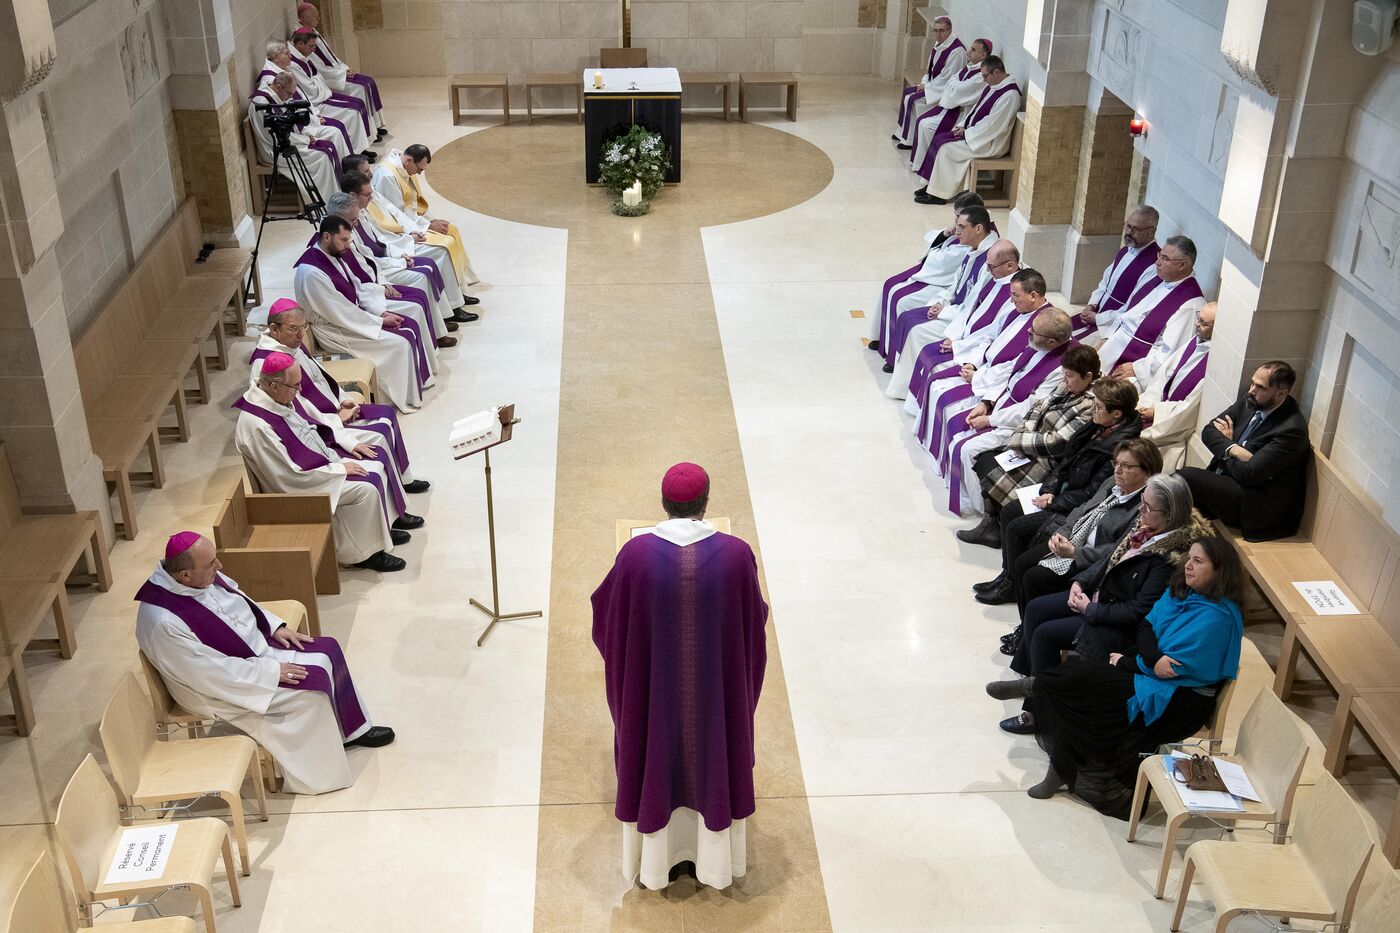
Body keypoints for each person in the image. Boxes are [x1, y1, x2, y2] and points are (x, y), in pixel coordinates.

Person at [591, 463, 768, 891]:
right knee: (713, 752)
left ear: (663, 503)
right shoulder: (736, 555)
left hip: (654, 702)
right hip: (715, 703)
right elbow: (754, 624)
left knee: (654, 751)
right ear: (706, 505)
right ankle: (715, 862)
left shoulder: (635, 556)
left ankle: (655, 864)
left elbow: (607, 619)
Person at [135, 532, 394, 795]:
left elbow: (238, 597)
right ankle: (320, 775)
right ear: (184, 575)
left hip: (251, 650)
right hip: (215, 686)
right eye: (211, 564)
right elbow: (206, 672)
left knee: (328, 649)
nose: (219, 566)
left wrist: (272, 626)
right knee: (309, 693)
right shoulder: (164, 621)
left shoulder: (195, 578)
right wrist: (270, 672)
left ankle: (349, 732)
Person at [1007, 538, 1244, 819]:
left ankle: (1039, 689)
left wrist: (1128, 662)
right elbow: (1146, 626)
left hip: (1180, 699)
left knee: (1084, 682)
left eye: (1198, 561)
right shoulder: (1183, 590)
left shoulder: (1217, 618)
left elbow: (1170, 669)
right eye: (1189, 558)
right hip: (1151, 673)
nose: (1188, 565)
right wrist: (1148, 659)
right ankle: (1058, 760)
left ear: (1219, 571)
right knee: (1084, 686)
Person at [989, 473, 1209, 735]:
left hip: (1117, 624)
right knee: (1037, 608)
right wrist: (1080, 582)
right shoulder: (1146, 527)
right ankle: (1033, 680)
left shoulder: (1169, 559)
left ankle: (1039, 714)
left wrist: (1089, 609)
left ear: (1170, 515)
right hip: (1101, 597)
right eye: (1142, 500)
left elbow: (1138, 611)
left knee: (1046, 634)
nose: (1141, 509)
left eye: (1148, 507)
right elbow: (1108, 561)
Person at [235, 352, 413, 572]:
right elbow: (286, 475)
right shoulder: (258, 426)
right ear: (273, 385)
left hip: (314, 465)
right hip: (297, 485)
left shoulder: (275, 396)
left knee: (375, 463)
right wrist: (338, 468)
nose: (299, 390)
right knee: (365, 488)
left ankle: (380, 530)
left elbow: (306, 426)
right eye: (295, 386)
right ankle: (363, 554)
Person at [251, 298, 424, 493]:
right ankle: (394, 489)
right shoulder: (268, 362)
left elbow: (319, 376)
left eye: (303, 327)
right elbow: (296, 410)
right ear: (274, 329)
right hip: (319, 425)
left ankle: (402, 480)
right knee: (381, 433)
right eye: (293, 328)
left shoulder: (290, 344)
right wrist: (336, 420)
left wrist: (342, 399)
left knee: (387, 413)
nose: (300, 335)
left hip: (331, 412)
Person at [984, 439, 1161, 625]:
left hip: (1090, 558)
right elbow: (1083, 509)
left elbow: (1118, 549)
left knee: (1034, 578)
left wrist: (1075, 553)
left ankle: (1031, 628)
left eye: (1126, 466)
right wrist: (1062, 533)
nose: (1117, 470)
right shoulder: (1112, 483)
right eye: (1116, 463)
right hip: (1074, 538)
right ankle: (1024, 624)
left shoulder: (1143, 507)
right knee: (1022, 562)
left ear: (1147, 472)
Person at [963, 377, 1143, 554]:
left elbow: (1093, 493)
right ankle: (993, 534)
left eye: (1098, 407)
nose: (1093, 410)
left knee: (1016, 526)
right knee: (1004, 502)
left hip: (1076, 505)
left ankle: (1010, 569)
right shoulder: (1097, 425)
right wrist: (1049, 490)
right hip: (1063, 487)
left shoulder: (1120, 448)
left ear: (1116, 414)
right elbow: (1067, 460)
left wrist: (1054, 501)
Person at [940, 307, 1077, 515]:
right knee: (954, 422)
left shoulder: (1062, 367)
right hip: (999, 404)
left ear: (1052, 342)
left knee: (966, 449)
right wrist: (986, 402)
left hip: (1020, 423)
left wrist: (990, 420)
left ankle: (984, 513)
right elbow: (1009, 371)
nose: (1028, 332)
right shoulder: (1038, 343)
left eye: (1034, 332)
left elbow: (1032, 407)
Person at [960, 345, 1101, 543]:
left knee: (990, 464)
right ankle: (992, 524)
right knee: (984, 460)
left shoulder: (1091, 404)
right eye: (1064, 374)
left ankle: (995, 526)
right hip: (1030, 445)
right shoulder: (1066, 385)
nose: (1065, 380)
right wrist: (1021, 436)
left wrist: (1020, 442)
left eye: (1069, 375)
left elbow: (1059, 441)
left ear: (1088, 376)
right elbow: (1037, 409)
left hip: (1049, 460)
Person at [295, 215, 434, 412]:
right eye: (343, 240)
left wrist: (379, 312)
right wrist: (378, 321)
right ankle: (395, 398)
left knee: (408, 327)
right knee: (400, 344)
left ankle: (411, 388)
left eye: (348, 240)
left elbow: (355, 287)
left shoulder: (331, 255)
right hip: (333, 329)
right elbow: (341, 312)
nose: (347, 245)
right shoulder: (312, 273)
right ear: (326, 237)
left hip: (349, 318)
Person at [1179, 360, 1311, 542]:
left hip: (1255, 504)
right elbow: (1209, 431)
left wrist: (1227, 448)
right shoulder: (1250, 401)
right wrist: (1234, 448)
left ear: (1281, 394)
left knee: (1185, 477)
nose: (1252, 390)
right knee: (1176, 494)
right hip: (1230, 481)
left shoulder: (1291, 430)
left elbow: (1250, 474)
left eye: (1261, 387)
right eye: (1252, 383)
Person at [341, 162, 479, 321]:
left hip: (394, 245)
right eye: (366, 171)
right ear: (353, 194)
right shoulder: (351, 219)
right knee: (436, 258)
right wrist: (400, 254)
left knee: (443, 248)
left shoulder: (362, 207)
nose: (371, 174)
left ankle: (455, 298)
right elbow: (370, 253)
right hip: (386, 258)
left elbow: (386, 226)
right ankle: (447, 312)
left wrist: (411, 235)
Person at [323, 192, 455, 350]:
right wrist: (380, 296)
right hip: (364, 298)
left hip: (374, 280)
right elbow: (355, 279)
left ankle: (439, 326)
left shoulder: (345, 230)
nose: (356, 224)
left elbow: (369, 256)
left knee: (424, 279)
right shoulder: (334, 244)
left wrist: (384, 280)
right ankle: (435, 336)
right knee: (419, 287)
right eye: (353, 220)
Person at [895, 238, 1019, 403]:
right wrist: (954, 335)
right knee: (919, 337)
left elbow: (992, 331)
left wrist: (959, 344)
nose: (988, 271)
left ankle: (914, 397)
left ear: (1010, 266)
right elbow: (969, 307)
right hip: (963, 334)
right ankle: (906, 391)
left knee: (926, 349)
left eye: (992, 267)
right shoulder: (993, 278)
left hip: (973, 347)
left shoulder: (1014, 295)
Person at [881, 205, 997, 380]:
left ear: (978, 229)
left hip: (962, 321)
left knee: (915, 329)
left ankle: (908, 383)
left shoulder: (990, 260)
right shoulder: (974, 249)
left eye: (962, 227)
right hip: (953, 309)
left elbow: (973, 306)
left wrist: (944, 311)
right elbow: (956, 284)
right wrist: (941, 302)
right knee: (905, 316)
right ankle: (903, 376)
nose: (957, 231)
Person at [868, 190, 984, 356]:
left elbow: (941, 263)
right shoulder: (965, 228)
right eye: (955, 216)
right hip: (937, 275)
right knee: (890, 285)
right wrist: (943, 235)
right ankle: (882, 337)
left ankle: (893, 352)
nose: (956, 223)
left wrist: (937, 249)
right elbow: (933, 241)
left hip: (942, 281)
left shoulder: (976, 242)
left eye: (959, 218)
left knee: (902, 300)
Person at [914, 55, 1021, 204]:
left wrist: (967, 133)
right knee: (938, 139)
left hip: (990, 142)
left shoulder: (1009, 95)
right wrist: (962, 125)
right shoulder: (994, 86)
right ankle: (931, 187)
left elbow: (992, 125)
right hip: (978, 134)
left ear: (996, 72)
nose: (984, 80)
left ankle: (939, 194)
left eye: (985, 76)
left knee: (946, 149)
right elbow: (976, 110)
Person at [1092, 235, 1205, 375]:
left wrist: (1138, 369)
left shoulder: (1190, 304)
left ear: (1182, 265)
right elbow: (1127, 315)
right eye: (1159, 256)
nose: (1157, 262)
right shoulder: (1158, 279)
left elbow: (1172, 354)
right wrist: (1107, 339)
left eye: (1165, 259)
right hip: (1114, 345)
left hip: (1138, 363)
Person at [372, 144, 478, 287]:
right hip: (401, 230)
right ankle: (454, 289)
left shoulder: (405, 168)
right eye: (419, 169)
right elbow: (396, 214)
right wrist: (428, 225)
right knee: (445, 244)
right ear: (409, 160)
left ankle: (463, 282)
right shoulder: (387, 176)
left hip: (414, 221)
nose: (420, 174)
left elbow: (414, 204)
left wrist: (432, 220)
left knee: (452, 230)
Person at [258, 40, 371, 155]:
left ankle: (354, 155)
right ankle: (351, 158)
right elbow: (287, 108)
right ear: (276, 57)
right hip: (299, 128)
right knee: (337, 130)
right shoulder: (272, 79)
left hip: (307, 115)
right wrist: (313, 119)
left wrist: (313, 114)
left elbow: (300, 96)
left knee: (343, 122)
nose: (290, 56)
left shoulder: (282, 70)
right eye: (287, 53)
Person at [1136, 302, 1214, 469]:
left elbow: (1190, 407)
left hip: (1169, 426)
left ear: (1218, 329)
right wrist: (1147, 404)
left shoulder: (1214, 360)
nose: (1197, 324)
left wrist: (1157, 412)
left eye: (1204, 323)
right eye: (1198, 318)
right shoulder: (1195, 341)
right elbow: (1163, 376)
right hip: (1157, 407)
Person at [248, 73, 345, 202]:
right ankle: (326, 201)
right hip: (274, 151)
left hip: (286, 141)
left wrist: (305, 135)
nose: (290, 97)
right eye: (289, 94)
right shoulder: (262, 104)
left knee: (328, 146)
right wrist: (305, 140)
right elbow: (274, 137)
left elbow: (287, 124)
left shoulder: (274, 95)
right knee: (322, 158)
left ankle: (336, 193)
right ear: (278, 87)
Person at [295, 1, 386, 138]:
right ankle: (368, 131)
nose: (319, 19)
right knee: (360, 88)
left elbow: (330, 56)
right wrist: (341, 74)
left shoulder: (312, 32)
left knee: (368, 82)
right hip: (330, 79)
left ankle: (375, 126)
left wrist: (344, 69)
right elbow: (319, 67)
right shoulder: (303, 39)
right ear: (306, 18)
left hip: (334, 74)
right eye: (316, 16)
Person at [909, 38, 991, 171]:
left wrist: (954, 85)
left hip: (961, 114)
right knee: (922, 121)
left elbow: (959, 90)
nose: (969, 52)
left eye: (974, 50)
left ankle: (927, 166)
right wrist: (955, 85)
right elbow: (952, 80)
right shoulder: (970, 67)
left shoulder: (981, 75)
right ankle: (921, 164)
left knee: (926, 126)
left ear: (983, 55)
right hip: (952, 108)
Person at [1076, 207, 1161, 334]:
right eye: (1128, 226)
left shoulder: (1154, 265)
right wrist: (1092, 305)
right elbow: (1105, 282)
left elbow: (1135, 306)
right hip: (1097, 312)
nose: (1129, 232)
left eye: (1135, 229)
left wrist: (1099, 319)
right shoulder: (1126, 250)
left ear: (1151, 231)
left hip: (1114, 326)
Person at [893, 16, 965, 147]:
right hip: (933, 86)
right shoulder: (939, 44)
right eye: (935, 31)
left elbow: (946, 78)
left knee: (913, 100)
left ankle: (910, 140)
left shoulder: (956, 51)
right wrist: (924, 83)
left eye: (941, 31)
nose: (938, 34)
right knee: (907, 93)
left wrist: (926, 88)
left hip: (942, 91)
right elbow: (929, 69)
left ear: (950, 31)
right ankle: (903, 133)